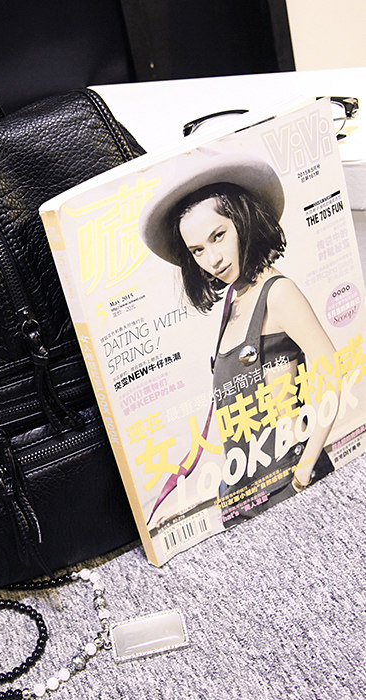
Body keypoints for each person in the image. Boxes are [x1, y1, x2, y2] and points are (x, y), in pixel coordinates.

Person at [139, 154, 336, 521]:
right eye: (198, 250)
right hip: (242, 495)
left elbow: (333, 374)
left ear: (243, 221)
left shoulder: (278, 293)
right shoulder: (233, 300)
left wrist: (303, 473)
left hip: (286, 485)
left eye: (218, 236)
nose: (213, 259)